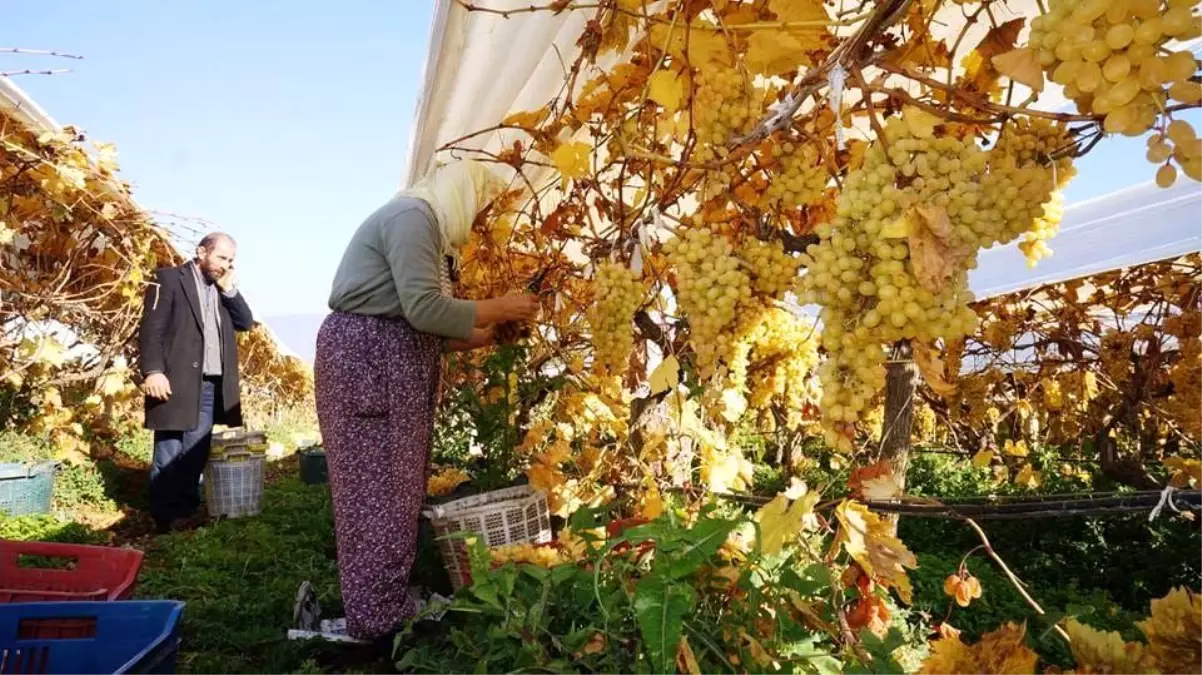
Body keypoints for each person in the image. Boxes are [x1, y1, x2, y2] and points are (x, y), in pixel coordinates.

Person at [316, 160, 538, 645]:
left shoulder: (430, 233)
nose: (481, 221)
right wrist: (501, 306)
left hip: (384, 362)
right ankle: (377, 621)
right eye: (481, 208)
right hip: (369, 365)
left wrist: (489, 336)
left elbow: (425, 330)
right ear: (465, 193)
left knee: (394, 490)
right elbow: (423, 310)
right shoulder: (412, 219)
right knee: (375, 490)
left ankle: (387, 606)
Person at [138, 232, 255, 534]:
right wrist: (153, 371)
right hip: (174, 380)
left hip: (208, 385)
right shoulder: (168, 279)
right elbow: (152, 329)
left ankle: (186, 511)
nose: (226, 266)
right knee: (170, 449)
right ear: (201, 252)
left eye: (231, 261)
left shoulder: (222, 289)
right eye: (221, 258)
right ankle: (165, 518)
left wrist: (229, 290)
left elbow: (245, 322)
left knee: (195, 451)